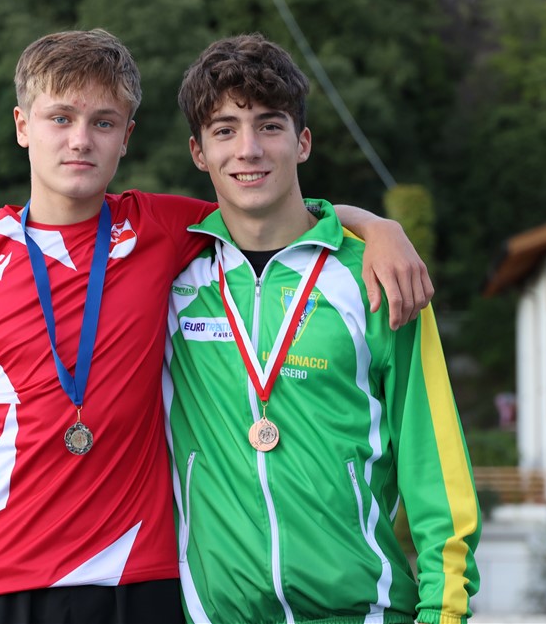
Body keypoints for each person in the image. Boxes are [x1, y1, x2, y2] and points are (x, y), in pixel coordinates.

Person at [0, 29, 432, 624]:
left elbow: (276, 213)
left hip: (137, 581)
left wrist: (379, 227)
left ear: (127, 137)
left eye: (103, 122)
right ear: (23, 125)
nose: (80, 139)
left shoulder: (161, 229)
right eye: (61, 118)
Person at [162, 33, 480, 623]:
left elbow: (434, 462)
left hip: (364, 612)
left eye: (270, 126)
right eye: (225, 130)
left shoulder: (379, 277)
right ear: (198, 152)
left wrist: (445, 611)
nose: (249, 149)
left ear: (302, 142)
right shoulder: (170, 279)